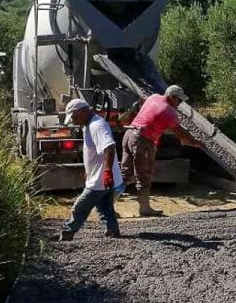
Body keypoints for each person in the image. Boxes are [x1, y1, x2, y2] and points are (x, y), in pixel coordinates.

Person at [121, 84, 193, 216]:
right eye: (179, 100)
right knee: (143, 175)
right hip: (142, 140)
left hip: (129, 134)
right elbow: (181, 135)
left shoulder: (154, 97)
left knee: (125, 174)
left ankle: (108, 205)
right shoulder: (169, 112)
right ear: (172, 97)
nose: (179, 104)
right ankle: (145, 209)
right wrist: (196, 142)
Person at [59, 99, 122, 241]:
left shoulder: (96, 126)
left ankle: (67, 234)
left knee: (80, 207)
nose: (74, 121)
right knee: (104, 207)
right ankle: (113, 232)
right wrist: (89, 169)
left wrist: (107, 172)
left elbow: (109, 148)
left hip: (100, 179)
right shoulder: (88, 124)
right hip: (100, 177)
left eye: (75, 117)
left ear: (84, 111)